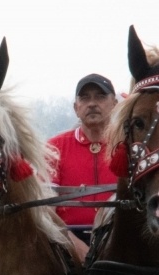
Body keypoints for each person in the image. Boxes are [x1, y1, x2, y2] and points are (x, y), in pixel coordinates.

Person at [48, 73, 119, 257]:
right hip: (64, 244)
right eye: (85, 98)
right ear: (76, 108)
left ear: (115, 104)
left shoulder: (127, 146)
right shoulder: (54, 148)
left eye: (100, 97)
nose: (92, 103)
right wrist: (75, 247)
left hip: (121, 243)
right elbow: (45, 211)